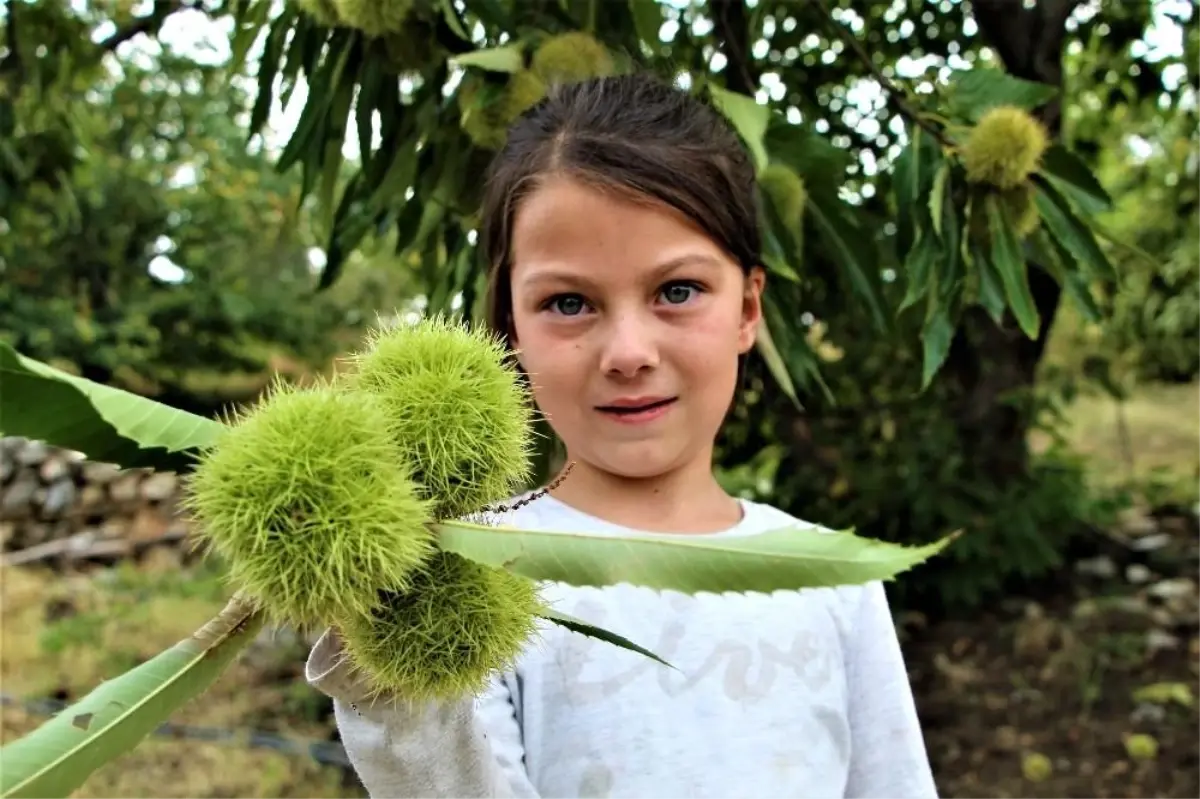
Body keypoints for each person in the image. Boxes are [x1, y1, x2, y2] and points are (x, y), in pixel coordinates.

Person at [306, 72, 938, 799]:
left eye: (676, 290)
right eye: (569, 302)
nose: (628, 352)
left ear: (748, 307)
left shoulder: (837, 580)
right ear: (510, 330)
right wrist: (376, 636)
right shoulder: (470, 573)